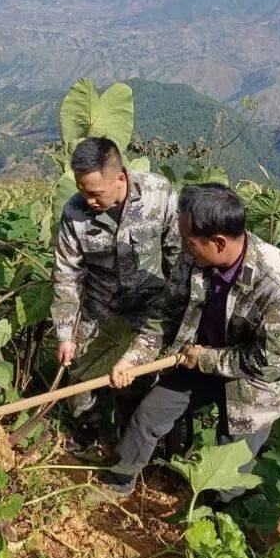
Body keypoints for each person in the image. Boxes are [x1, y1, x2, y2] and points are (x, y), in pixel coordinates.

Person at [104, 182, 280, 497]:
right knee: (147, 417)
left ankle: (214, 520)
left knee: (228, 470)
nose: (182, 246)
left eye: (188, 241)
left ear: (217, 242)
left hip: (255, 383)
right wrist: (133, 359)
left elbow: (265, 363)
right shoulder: (195, 257)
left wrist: (204, 358)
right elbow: (166, 314)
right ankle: (118, 484)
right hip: (198, 361)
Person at [51, 136, 180, 453]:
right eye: (82, 190)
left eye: (95, 192)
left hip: (147, 311)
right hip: (100, 309)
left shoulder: (157, 194)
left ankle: (133, 440)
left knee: (135, 384)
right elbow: (67, 274)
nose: (88, 199)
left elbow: (178, 255)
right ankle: (89, 432)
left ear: (120, 177)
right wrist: (65, 334)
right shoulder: (75, 212)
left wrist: (178, 315)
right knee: (79, 379)